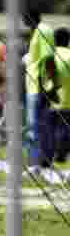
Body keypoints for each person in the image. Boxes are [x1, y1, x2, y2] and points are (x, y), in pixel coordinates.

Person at [24, 14, 58, 167]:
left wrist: (49, 85)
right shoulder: (41, 31)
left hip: (37, 86)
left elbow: (49, 58)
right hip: (38, 85)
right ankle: (43, 161)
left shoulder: (41, 31)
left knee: (34, 126)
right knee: (43, 126)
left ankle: (35, 163)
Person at [48, 28, 70, 164]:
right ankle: (61, 155)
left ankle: (52, 154)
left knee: (52, 130)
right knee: (65, 130)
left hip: (51, 101)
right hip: (68, 101)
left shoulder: (50, 55)